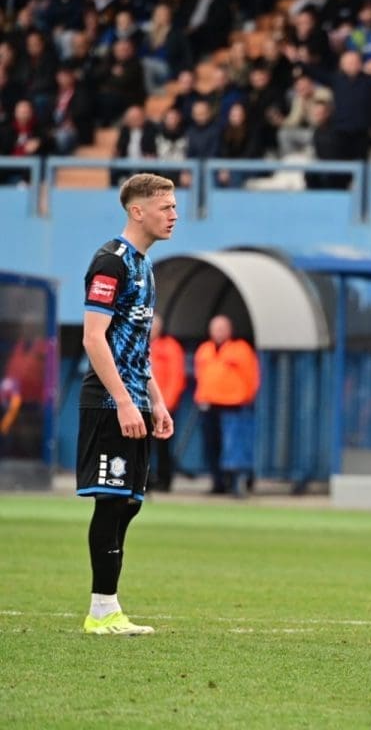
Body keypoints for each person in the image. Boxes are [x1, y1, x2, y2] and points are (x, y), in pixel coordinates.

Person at [77, 173, 177, 635]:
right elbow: (93, 338)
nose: (173, 215)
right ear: (138, 211)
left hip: (135, 399)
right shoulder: (110, 262)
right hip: (108, 401)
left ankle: (108, 609)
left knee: (130, 504)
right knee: (112, 502)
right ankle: (102, 612)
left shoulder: (146, 266)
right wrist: (122, 400)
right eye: (165, 207)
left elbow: (137, 345)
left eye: (174, 207)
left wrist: (155, 400)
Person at [194, 316, 260, 496]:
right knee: (211, 445)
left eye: (222, 328)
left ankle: (236, 482)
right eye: (216, 329)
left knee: (233, 446)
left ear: (230, 330)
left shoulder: (241, 350)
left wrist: (247, 397)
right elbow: (200, 375)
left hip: (233, 405)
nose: (219, 332)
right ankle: (218, 483)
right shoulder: (205, 350)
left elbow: (252, 376)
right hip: (209, 404)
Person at [148, 316, 184, 491]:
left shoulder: (170, 347)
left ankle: (164, 480)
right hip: (142, 403)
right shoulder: (139, 345)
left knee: (163, 444)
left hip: (162, 404)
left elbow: (175, 377)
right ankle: (145, 479)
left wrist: (166, 403)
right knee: (142, 444)